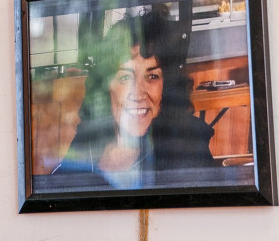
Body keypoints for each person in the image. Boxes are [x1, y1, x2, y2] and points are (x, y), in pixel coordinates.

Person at [53, 10, 215, 189]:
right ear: (106, 87)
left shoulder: (186, 150)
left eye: (152, 77)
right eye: (125, 77)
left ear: (167, 85)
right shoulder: (89, 141)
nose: (138, 94)